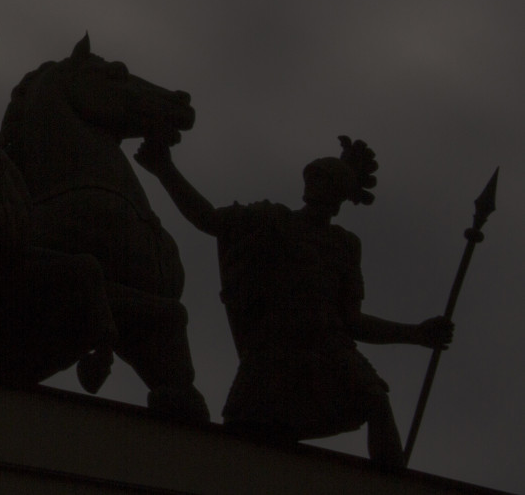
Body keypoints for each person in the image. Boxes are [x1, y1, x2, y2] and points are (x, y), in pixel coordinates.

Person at [136, 133, 452, 469]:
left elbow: (353, 320)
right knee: (244, 436)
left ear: (339, 194)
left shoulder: (345, 244)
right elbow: (210, 220)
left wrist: (416, 334)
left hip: (331, 350)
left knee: (375, 400)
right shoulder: (271, 220)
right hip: (274, 350)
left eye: (324, 180)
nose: (313, 185)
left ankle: (394, 484)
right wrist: (165, 170)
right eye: (313, 177)